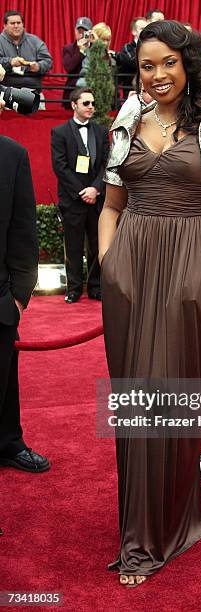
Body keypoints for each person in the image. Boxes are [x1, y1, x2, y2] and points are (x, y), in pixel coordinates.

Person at [99, 20, 201, 586]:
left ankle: (161, 528)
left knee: (171, 389)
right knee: (133, 396)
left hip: (192, 260)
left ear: (187, 62)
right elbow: (112, 205)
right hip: (130, 267)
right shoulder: (127, 119)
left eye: (168, 62)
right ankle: (141, 522)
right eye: (147, 65)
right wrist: (108, 264)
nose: (158, 74)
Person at [0, 92, 50, 473]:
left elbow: (23, 231)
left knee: (4, 375)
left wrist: (18, 297)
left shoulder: (12, 154)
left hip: (0, 297)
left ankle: (8, 441)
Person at [51, 87, 109, 303]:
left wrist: (95, 189)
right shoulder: (59, 132)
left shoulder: (102, 132)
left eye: (92, 103)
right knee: (73, 247)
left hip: (96, 199)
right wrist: (81, 192)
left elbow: (106, 164)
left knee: (96, 246)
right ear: (74, 105)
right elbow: (60, 167)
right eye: (86, 103)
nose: (91, 107)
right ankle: (74, 288)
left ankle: (95, 286)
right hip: (73, 200)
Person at [0, 9, 52, 91]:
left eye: (19, 23)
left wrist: (38, 66)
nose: (16, 26)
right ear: (5, 26)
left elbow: (48, 61)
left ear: (23, 24)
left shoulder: (35, 41)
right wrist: (10, 62)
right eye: (12, 23)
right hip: (6, 90)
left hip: (33, 90)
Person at [62, 17, 93, 109]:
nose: (81, 34)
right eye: (79, 31)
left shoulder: (96, 48)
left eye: (84, 31)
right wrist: (81, 51)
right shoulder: (69, 49)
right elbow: (68, 67)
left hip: (93, 88)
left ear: (90, 33)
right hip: (74, 88)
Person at [76, 22, 116, 88]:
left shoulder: (110, 57)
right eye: (102, 39)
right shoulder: (85, 53)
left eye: (107, 40)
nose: (105, 43)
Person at [117, 17, 147, 96]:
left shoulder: (152, 47)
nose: (145, 31)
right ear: (134, 31)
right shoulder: (127, 47)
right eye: (142, 29)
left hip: (148, 90)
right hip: (130, 90)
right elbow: (133, 62)